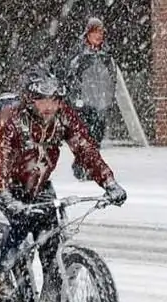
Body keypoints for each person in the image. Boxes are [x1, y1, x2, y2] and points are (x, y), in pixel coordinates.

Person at [0, 64, 127, 302]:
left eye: (54, 99)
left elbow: (85, 149)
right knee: (22, 222)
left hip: (40, 186)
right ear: (30, 99)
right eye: (42, 100)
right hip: (7, 185)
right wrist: (9, 199)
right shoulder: (11, 119)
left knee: (52, 240)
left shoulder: (63, 117)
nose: (49, 106)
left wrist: (108, 181)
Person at [61, 17, 118, 181]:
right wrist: (75, 98)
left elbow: (112, 78)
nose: (98, 36)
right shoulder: (79, 55)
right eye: (95, 32)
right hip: (83, 103)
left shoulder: (107, 55)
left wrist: (109, 98)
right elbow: (70, 77)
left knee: (97, 136)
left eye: (101, 32)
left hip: (102, 102)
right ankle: (81, 165)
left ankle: (90, 165)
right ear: (88, 34)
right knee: (84, 136)